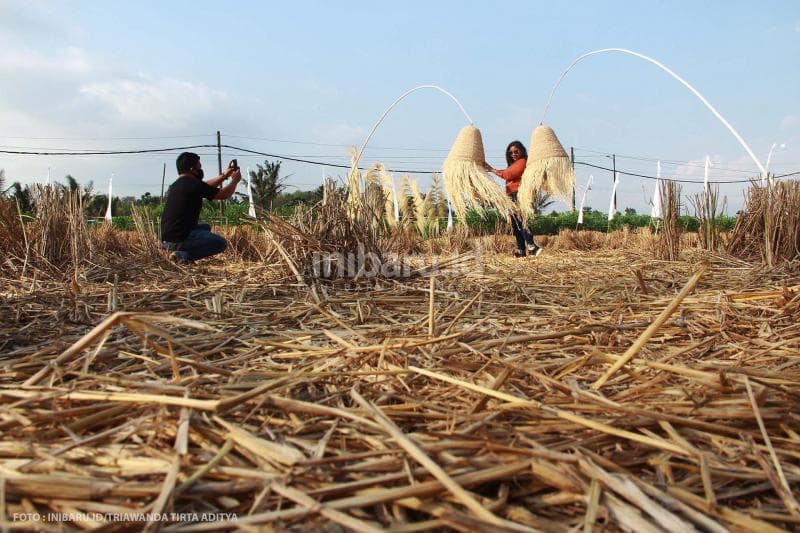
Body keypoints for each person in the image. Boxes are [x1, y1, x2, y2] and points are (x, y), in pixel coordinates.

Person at [160, 152, 241, 263]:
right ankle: (183, 255)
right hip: (179, 239)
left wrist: (224, 176)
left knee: (205, 227)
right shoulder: (193, 185)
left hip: (166, 240)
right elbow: (224, 194)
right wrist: (235, 181)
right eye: (199, 167)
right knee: (221, 243)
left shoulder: (177, 185)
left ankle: (171, 249)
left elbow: (205, 186)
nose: (201, 170)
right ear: (192, 169)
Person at [484, 141, 542, 257]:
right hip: (512, 195)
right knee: (516, 224)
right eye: (511, 153)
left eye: (516, 151)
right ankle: (521, 250)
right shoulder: (513, 164)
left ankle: (531, 245)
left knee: (521, 220)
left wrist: (492, 169)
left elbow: (508, 175)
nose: (513, 154)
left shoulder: (522, 162)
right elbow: (508, 174)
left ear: (522, 151)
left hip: (518, 194)